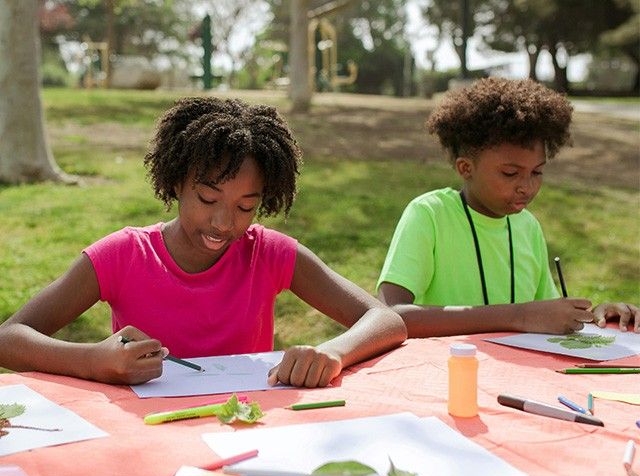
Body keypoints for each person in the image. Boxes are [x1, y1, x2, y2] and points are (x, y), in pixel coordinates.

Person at [0, 97, 406, 386]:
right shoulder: (123, 256)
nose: (223, 222)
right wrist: (92, 360)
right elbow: (9, 339)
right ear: (176, 182)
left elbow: (386, 319)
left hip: (242, 424)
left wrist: (334, 352)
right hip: (145, 431)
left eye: (246, 207)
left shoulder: (269, 253)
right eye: (208, 199)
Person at [377, 77, 638, 337]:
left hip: (515, 377)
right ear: (466, 168)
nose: (527, 186)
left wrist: (598, 317)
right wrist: (519, 316)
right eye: (511, 173)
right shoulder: (430, 215)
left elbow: (546, 318)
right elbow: (391, 314)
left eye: (537, 172)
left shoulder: (528, 226)